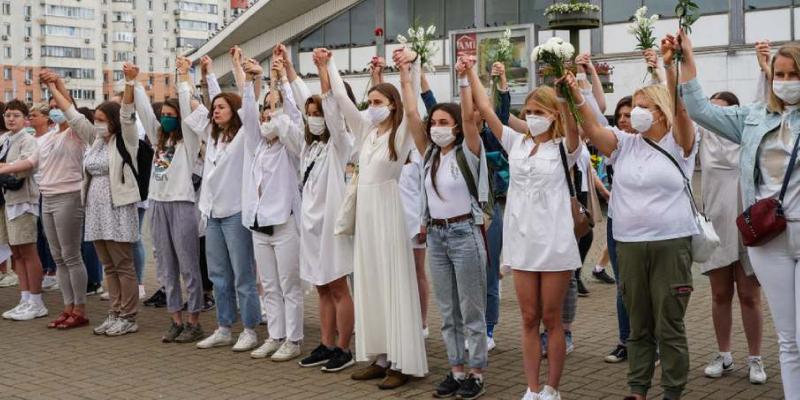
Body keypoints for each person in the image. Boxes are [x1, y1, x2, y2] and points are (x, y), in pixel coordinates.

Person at [573, 34, 698, 399]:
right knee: (639, 325)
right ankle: (638, 389)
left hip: (670, 244)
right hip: (628, 245)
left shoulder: (680, 141)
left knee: (669, 324)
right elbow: (593, 128)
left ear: (661, 110)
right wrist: (573, 91)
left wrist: (670, 66)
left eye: (644, 106)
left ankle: (672, 391)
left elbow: (683, 109)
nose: (636, 112)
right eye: (634, 106)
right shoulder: (623, 143)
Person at [679, 31, 799, 399]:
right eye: (778, 75)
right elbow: (700, 111)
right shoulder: (752, 117)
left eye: (793, 75)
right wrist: (687, 59)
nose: (784, 82)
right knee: (789, 339)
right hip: (768, 239)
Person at [470, 60, 580, 400]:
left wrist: (569, 95)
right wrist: (469, 73)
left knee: (552, 318)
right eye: (528, 110)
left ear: (553, 114)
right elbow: (487, 109)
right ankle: (532, 388)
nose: (532, 115)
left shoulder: (565, 148)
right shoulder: (516, 143)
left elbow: (576, 127)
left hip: (555, 243)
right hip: (521, 243)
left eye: (539, 110)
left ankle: (552, 388)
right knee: (529, 317)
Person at [323, 46, 428, 389]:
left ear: (392, 105)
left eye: (378, 103)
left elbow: (414, 110)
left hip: (388, 212)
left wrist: (409, 69)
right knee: (369, 284)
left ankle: (402, 362)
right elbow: (341, 98)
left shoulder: (402, 134)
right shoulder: (366, 133)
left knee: (393, 283)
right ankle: (380, 358)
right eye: (370, 103)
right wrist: (329, 64)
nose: (372, 108)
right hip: (366, 216)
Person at [411, 56, 489, 399]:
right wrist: (407, 73)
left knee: (472, 310)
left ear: (456, 127)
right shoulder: (429, 154)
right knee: (448, 310)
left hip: (465, 234)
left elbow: (472, 116)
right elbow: (413, 116)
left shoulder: (468, 150)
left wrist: (462, 79)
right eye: (435, 123)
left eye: (445, 122)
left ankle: (476, 373)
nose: (437, 127)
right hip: (437, 236)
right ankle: (456, 370)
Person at [275, 45, 357, 372]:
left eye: (318, 112)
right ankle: (325, 343)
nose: (314, 117)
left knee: (338, 286)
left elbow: (333, 110)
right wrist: (289, 70)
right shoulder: (308, 147)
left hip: (332, 227)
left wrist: (324, 70)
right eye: (311, 113)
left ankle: (343, 347)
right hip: (310, 227)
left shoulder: (341, 144)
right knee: (322, 287)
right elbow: (297, 103)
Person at [51, 73, 142, 336]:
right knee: (108, 265)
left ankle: (129, 315)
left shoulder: (126, 140)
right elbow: (72, 114)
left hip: (118, 208)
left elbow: (127, 112)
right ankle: (114, 312)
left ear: (113, 122)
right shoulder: (95, 140)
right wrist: (52, 87)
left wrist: (129, 82)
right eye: (97, 121)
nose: (98, 124)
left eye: (103, 121)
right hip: (95, 209)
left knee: (123, 264)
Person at [185, 49, 261, 352]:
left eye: (221, 108)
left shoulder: (245, 136)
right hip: (212, 213)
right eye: (213, 107)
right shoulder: (212, 136)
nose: (215, 111)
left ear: (235, 110)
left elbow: (249, 104)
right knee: (218, 275)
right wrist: (204, 75)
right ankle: (224, 327)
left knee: (243, 274)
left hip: (235, 212)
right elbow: (202, 101)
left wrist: (237, 68)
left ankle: (251, 330)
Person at [125, 61, 205, 343]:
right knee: (165, 267)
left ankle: (194, 320)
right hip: (158, 204)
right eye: (166, 115)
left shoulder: (190, 142)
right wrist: (134, 82)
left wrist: (183, 77)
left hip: (182, 205)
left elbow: (186, 109)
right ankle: (175, 319)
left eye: (173, 115)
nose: (168, 119)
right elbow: (146, 113)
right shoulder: (159, 140)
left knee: (188, 266)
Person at [696, 90, 767, 384]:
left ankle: (755, 358)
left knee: (750, 297)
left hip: (748, 227)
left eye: (721, 111)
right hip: (716, 228)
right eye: (711, 110)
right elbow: (683, 107)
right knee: (720, 294)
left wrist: (765, 69)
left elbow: (763, 102)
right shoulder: (704, 139)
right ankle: (724, 355)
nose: (715, 116)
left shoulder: (748, 140)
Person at [242, 55, 305, 362]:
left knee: (288, 285)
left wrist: (278, 83)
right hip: (259, 225)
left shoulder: (292, 146)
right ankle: (275, 336)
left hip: (285, 224)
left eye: (273, 108)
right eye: (265, 108)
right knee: (268, 286)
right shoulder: (258, 145)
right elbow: (247, 117)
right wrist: (256, 81)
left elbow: (292, 118)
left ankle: (293, 339)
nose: (268, 113)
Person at [28, 72, 97, 330]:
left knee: (71, 255)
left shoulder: (75, 134)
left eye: (58, 108)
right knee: (57, 257)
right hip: (47, 197)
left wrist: (55, 85)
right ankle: (67, 306)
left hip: (69, 196)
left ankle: (79, 308)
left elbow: (70, 109)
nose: (56, 110)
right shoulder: (49, 137)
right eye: (52, 108)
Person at [0, 100, 46, 322]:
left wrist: (5, 168)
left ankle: (37, 302)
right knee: (16, 252)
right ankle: (25, 298)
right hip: (6, 201)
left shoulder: (29, 140)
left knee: (28, 251)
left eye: (16, 115)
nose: (10, 119)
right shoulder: (4, 139)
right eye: (8, 115)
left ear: (25, 118)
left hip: (23, 201)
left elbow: (30, 163)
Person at [603, 95, 634, 365]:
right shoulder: (616, 145)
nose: (623, 120)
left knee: (646, 289)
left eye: (629, 115)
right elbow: (591, 115)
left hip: (648, 227)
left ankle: (651, 342)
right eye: (620, 116)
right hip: (616, 220)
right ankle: (625, 341)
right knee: (623, 285)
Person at [28, 103, 58, 292]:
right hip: (32, 190)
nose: (31, 118)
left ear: (46, 118)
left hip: (47, 188)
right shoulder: (31, 138)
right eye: (29, 115)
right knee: (37, 233)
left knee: (48, 233)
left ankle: (53, 271)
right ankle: (44, 268)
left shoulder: (51, 138)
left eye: (35, 115)